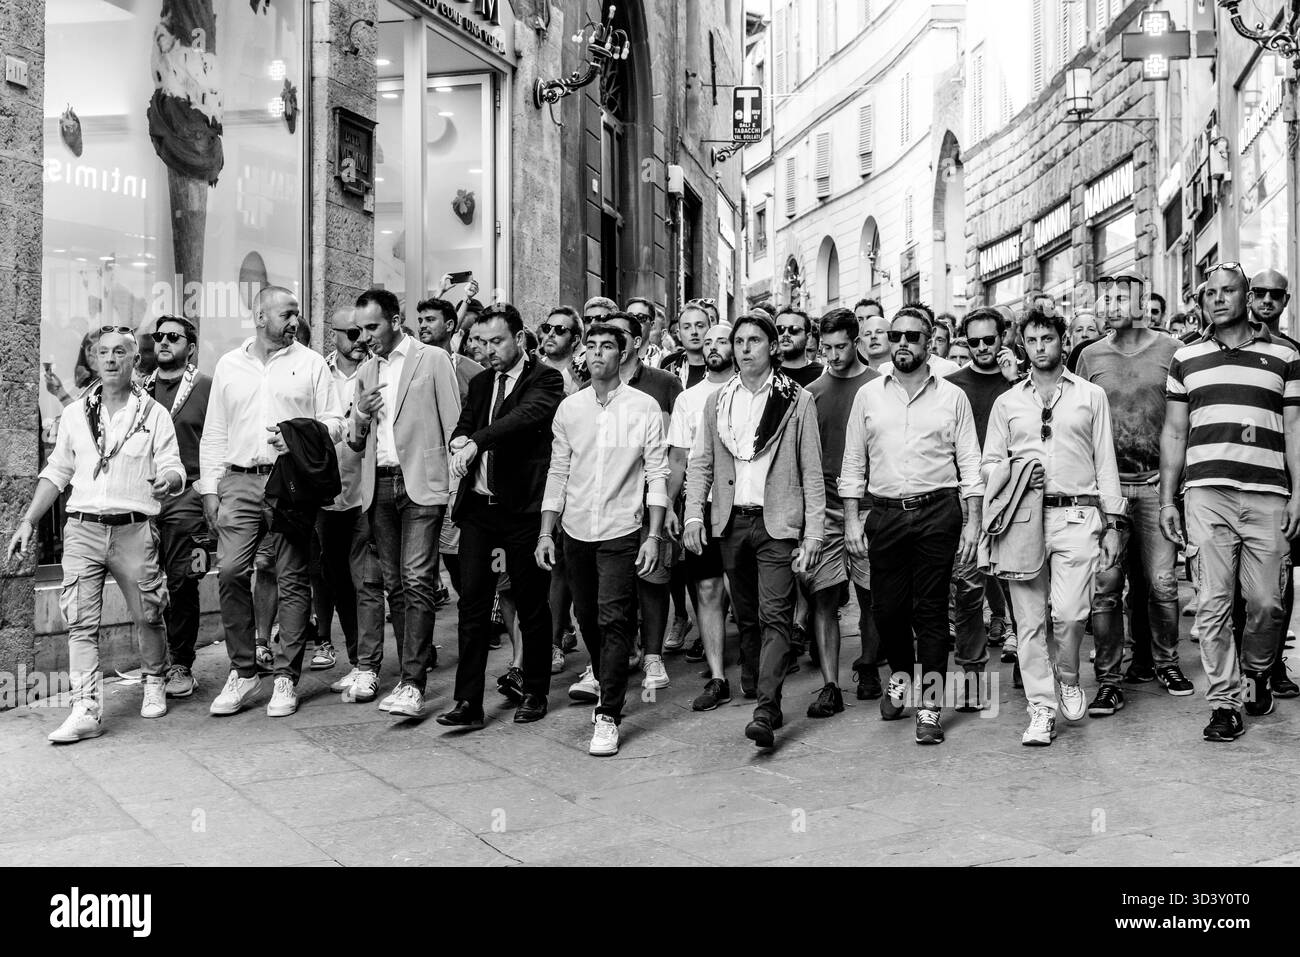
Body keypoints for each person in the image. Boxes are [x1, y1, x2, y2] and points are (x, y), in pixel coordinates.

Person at [9, 329, 185, 742]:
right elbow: (56, 472)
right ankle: (85, 708)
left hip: (134, 528)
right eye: (102, 353)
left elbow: (174, 465)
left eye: (119, 352)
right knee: (81, 624)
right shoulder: (75, 414)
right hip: (83, 528)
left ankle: (155, 678)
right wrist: (28, 521)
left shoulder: (153, 413)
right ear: (93, 360)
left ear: (133, 361)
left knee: (148, 613)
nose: (110, 359)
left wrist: (169, 480)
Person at [1160, 263, 1300, 742]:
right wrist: (1167, 500)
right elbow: (1175, 431)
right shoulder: (1187, 358)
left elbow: (1296, 429)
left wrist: (1299, 492)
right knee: (1213, 604)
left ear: (1245, 298)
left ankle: (1258, 668)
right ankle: (1224, 702)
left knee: (1267, 602)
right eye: (1210, 293)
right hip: (1206, 494)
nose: (1218, 299)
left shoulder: (1284, 356)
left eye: (1228, 291)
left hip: (1269, 494)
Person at [840, 307, 983, 745]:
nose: (902, 342)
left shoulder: (952, 396)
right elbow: (853, 461)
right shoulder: (869, 395)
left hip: (938, 511)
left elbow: (970, 462)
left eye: (912, 336)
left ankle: (929, 707)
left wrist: (973, 521)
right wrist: (851, 520)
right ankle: (900, 676)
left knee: (932, 611)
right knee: (888, 610)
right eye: (895, 335)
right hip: (883, 513)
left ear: (928, 343)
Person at [200, 286, 344, 719]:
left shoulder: (312, 362)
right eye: (286, 313)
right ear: (260, 316)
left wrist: (297, 436)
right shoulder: (229, 364)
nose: (294, 321)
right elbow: (215, 432)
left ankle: (286, 676)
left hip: (290, 484)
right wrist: (210, 489)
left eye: (297, 313)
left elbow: (335, 423)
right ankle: (244, 671)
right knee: (228, 571)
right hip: (240, 481)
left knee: (292, 578)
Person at [684, 311, 824, 748]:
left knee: (775, 615)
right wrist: (693, 515)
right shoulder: (717, 401)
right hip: (731, 523)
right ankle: (755, 678)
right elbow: (700, 463)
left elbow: (812, 471)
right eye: (739, 341)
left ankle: (767, 707)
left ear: (772, 347)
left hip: (777, 522)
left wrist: (814, 533)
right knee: (745, 616)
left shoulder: (796, 400)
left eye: (754, 341)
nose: (744, 348)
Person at [983, 310, 1124, 746]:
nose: (1040, 345)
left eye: (1048, 337)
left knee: (1069, 612)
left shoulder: (1090, 396)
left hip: (1078, 515)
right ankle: (1041, 708)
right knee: (1027, 623)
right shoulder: (1007, 403)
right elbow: (988, 465)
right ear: (1022, 345)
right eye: (1032, 339)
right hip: (1023, 519)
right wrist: (1019, 469)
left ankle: (1067, 676)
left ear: (1062, 342)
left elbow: (1106, 460)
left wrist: (1114, 522)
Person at [536, 322, 670, 756]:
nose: (597, 354)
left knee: (614, 619)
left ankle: (607, 713)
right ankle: (604, 671)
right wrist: (545, 530)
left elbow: (657, 473)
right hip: (575, 529)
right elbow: (558, 471)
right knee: (588, 618)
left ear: (624, 352)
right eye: (591, 346)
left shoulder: (644, 407)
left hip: (622, 529)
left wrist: (653, 535)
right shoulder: (569, 410)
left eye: (607, 346)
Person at [439, 303, 565, 729]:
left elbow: (521, 419)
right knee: (472, 606)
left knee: (531, 603)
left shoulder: (544, 378)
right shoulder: (479, 384)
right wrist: (460, 443)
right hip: (479, 510)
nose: (488, 350)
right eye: (482, 342)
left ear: (519, 337)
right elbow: (464, 425)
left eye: (496, 342)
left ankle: (535, 691)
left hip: (523, 512)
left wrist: (476, 442)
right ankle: (468, 703)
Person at [1076, 276, 1190, 717]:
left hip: (1156, 487)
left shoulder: (1172, 350)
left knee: (1162, 584)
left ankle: (1166, 662)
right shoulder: (1090, 356)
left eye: (1121, 296)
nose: (1111, 304)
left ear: (1143, 302)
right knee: (1105, 586)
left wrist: (1176, 487)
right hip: (1106, 493)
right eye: (1106, 296)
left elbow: (1184, 422)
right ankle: (1109, 679)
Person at [349, 289, 462, 716]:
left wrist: (455, 491)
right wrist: (359, 413)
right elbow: (356, 442)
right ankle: (409, 671)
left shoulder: (431, 359)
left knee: (417, 579)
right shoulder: (365, 371)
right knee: (394, 583)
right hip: (377, 486)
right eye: (360, 329)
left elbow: (454, 427)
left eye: (372, 327)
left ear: (396, 321)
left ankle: (413, 683)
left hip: (422, 484)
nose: (365, 336)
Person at [801, 309, 881, 713]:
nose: (833, 354)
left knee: (871, 597)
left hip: (869, 507)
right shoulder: (811, 392)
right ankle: (830, 683)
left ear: (857, 341)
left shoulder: (878, 386)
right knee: (824, 598)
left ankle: (868, 664)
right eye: (826, 347)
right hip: (826, 508)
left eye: (840, 346)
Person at [604, 311, 684, 691]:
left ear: (636, 342)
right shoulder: (596, 386)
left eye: (618, 336)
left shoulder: (665, 383)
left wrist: (666, 504)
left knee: (653, 579)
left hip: (650, 500)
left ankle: (653, 655)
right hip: (608, 503)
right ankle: (616, 655)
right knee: (612, 587)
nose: (609, 345)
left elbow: (674, 450)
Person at [945, 308, 1020, 702]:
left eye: (989, 340)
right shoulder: (951, 386)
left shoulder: (1020, 383)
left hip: (1016, 494)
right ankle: (974, 678)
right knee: (970, 587)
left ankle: (1026, 658)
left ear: (1003, 336)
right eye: (973, 342)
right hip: (968, 497)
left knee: (1020, 583)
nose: (981, 348)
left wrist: (1015, 382)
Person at [665, 321, 735, 710]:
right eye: (707, 342)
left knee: (743, 590)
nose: (712, 347)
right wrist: (674, 507)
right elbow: (678, 459)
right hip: (702, 505)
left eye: (720, 340)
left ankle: (759, 661)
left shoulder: (751, 391)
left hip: (743, 505)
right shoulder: (688, 399)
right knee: (707, 588)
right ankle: (718, 674)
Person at [144, 315, 213, 699]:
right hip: (144, 498)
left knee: (183, 581)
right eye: (159, 337)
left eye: (173, 337)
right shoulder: (141, 390)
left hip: (187, 498)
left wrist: (209, 496)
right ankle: (156, 662)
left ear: (190, 346)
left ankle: (181, 663)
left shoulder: (205, 387)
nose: (164, 342)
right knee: (146, 582)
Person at [1246, 269, 1300, 697]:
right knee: (1232, 589)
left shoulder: (1293, 353)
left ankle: (1273, 663)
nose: (1266, 300)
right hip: (1234, 483)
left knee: (1279, 582)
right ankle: (1246, 672)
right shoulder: (1228, 348)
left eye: (1274, 295)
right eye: (1259, 292)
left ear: (1285, 301)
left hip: (1281, 486)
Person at [416, 296, 479, 403]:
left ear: (449, 325)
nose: (422, 326)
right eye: (420, 321)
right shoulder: (411, 366)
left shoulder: (475, 372)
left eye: (430, 320)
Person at [659, 301, 712, 387]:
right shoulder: (668, 369)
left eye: (699, 326)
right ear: (679, 335)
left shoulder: (724, 367)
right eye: (687, 327)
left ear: (710, 331)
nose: (694, 332)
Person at [537, 306, 582, 396]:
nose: (550, 334)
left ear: (574, 340)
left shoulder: (583, 376)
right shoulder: (530, 369)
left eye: (559, 330)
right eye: (547, 328)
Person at [774, 307, 824, 386]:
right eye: (780, 329)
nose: (785, 334)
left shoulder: (823, 375)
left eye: (794, 329)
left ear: (808, 337)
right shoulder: (764, 372)